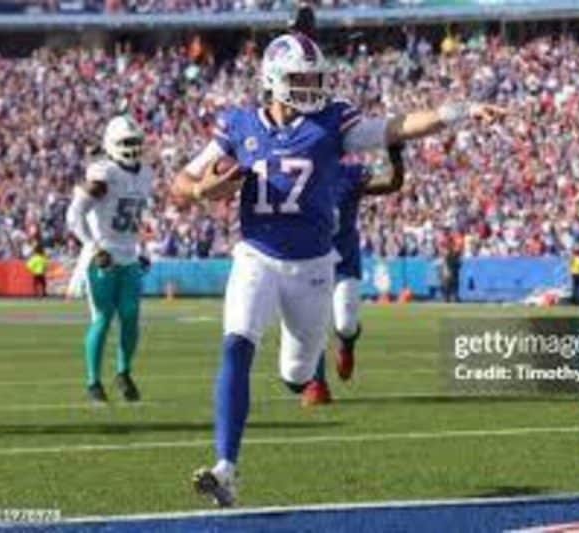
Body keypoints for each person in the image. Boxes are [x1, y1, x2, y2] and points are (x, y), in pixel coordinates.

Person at [170, 32, 504, 507]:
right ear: (272, 79)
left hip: (313, 266)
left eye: (315, 77)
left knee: (298, 372)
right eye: (300, 78)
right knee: (236, 342)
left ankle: (300, 377)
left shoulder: (330, 122)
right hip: (257, 253)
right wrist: (204, 190)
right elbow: (180, 183)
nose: (311, 87)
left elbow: (396, 127)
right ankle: (226, 467)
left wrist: (459, 111)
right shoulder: (238, 124)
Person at [302, 145, 406, 406]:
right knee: (313, 324)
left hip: (344, 260)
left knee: (345, 325)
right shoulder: (295, 174)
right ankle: (317, 383)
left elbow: (393, 183)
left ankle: (347, 344)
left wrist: (395, 155)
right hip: (310, 260)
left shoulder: (350, 174)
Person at [66, 115, 153, 404]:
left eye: (135, 142)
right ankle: (93, 382)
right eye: (125, 143)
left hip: (129, 256)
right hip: (102, 257)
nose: (131, 148)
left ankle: (124, 373)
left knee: (130, 317)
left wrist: (142, 249)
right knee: (103, 318)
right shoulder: (104, 173)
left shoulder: (146, 173)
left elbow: (137, 216)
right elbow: (74, 215)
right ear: (112, 145)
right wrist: (93, 246)